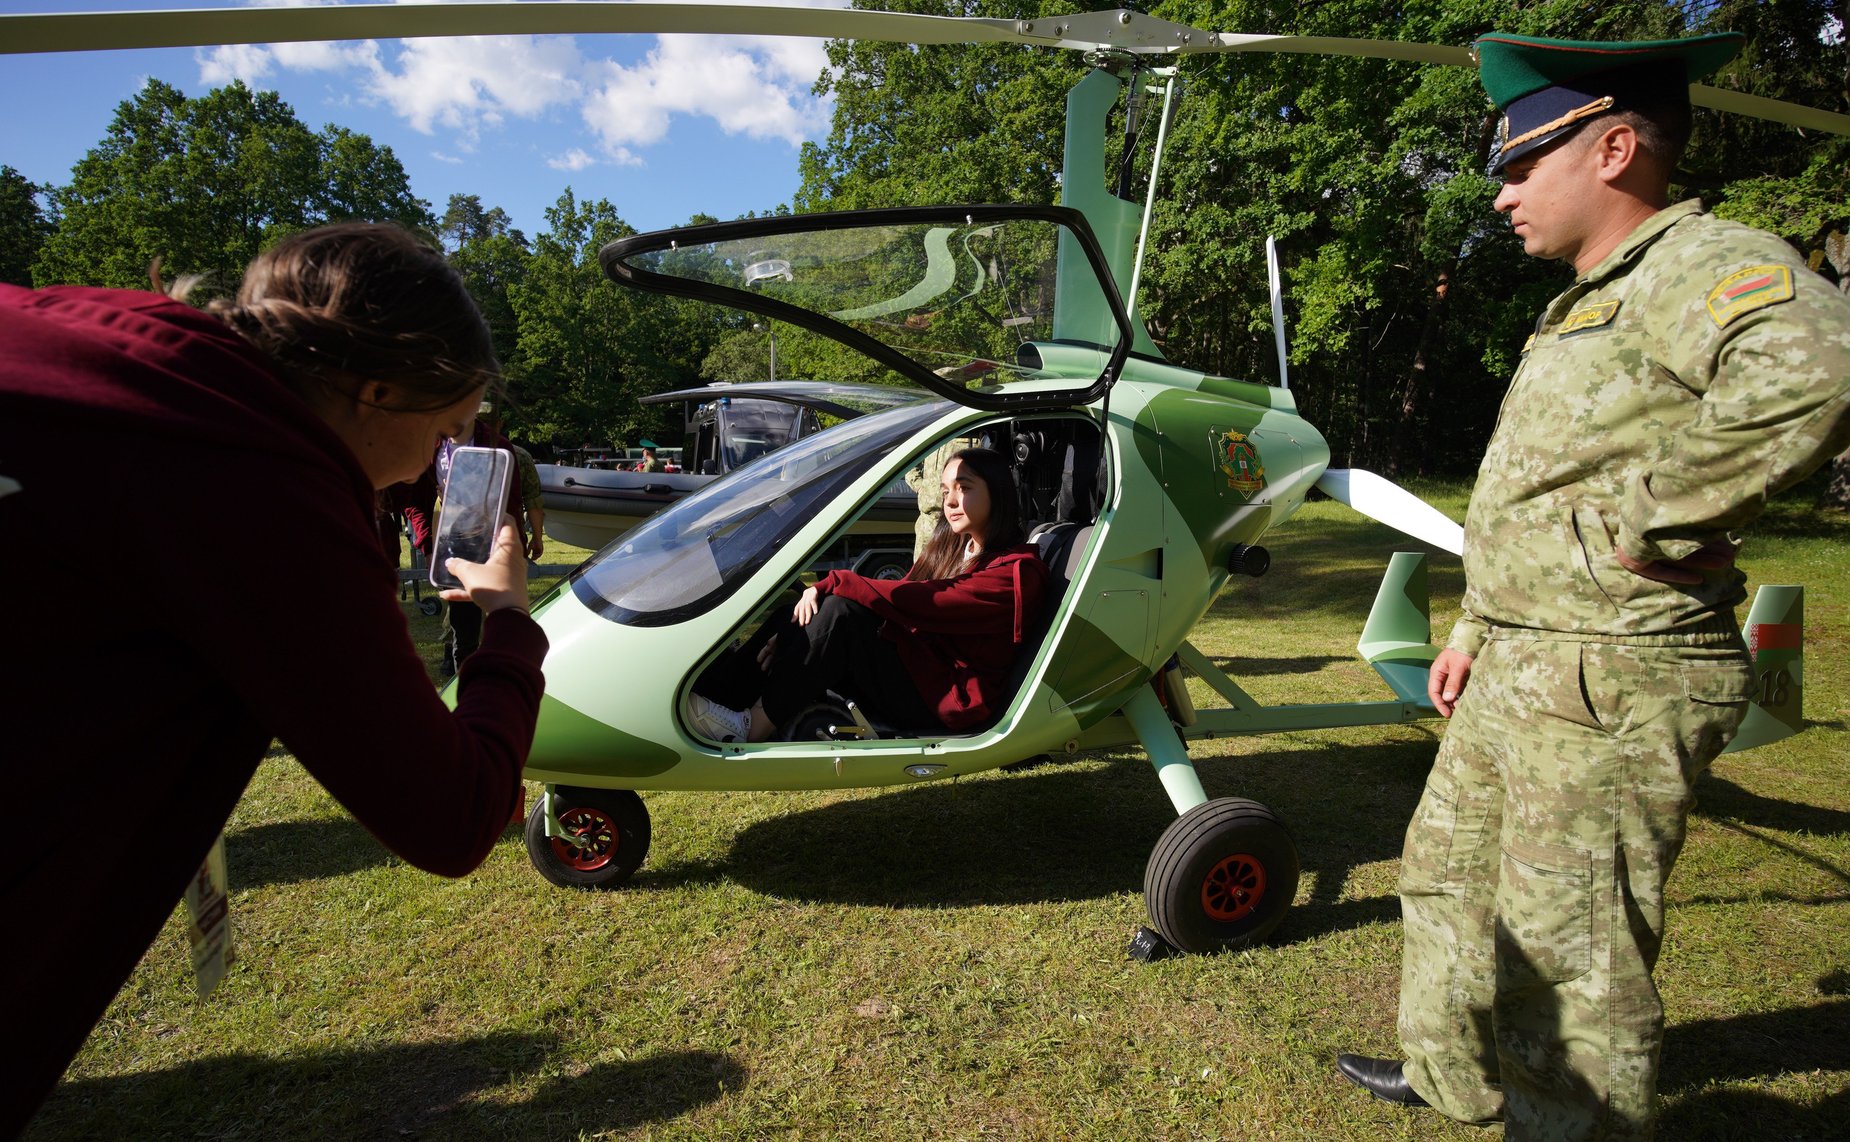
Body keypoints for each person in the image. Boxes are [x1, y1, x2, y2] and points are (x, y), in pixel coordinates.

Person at [1334, 31, 1850, 1139]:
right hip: (1524, 650)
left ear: (1613, 147)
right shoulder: (1577, 300)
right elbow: (1533, 488)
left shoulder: (1696, 263)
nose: (1502, 195)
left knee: (1568, 944)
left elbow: (1814, 368)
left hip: (1611, 665)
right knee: (1445, 881)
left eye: (1521, 166)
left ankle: (1562, 1122)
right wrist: (1473, 622)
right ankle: (1453, 1075)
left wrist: (1655, 517)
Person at [0, 222, 549, 1135]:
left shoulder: (99, 340)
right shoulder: (258, 479)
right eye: (447, 431)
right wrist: (505, 621)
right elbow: (454, 815)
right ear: (376, 391)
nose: (435, 465)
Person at [687, 446, 1049, 741]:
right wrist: (798, 632)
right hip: (922, 670)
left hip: (947, 697)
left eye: (964, 488)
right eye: (945, 491)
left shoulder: (1015, 573)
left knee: (840, 615)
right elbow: (905, 593)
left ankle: (751, 727)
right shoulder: (955, 547)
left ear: (997, 493)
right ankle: (713, 698)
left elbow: (925, 603)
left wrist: (834, 582)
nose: (950, 501)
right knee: (793, 615)